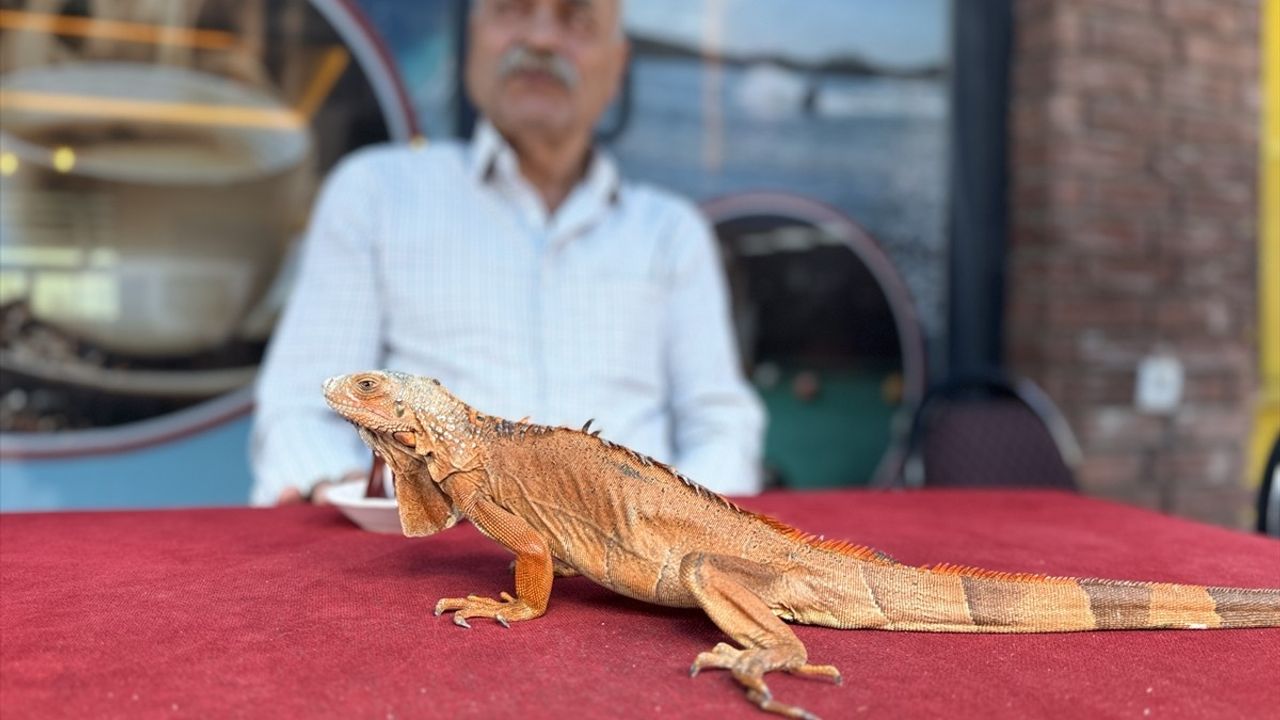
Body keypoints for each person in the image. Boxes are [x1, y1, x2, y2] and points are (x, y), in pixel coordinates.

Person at [250, 0, 764, 505]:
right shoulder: (376, 195)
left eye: (576, 18)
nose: (541, 40)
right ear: (475, 40)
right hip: (423, 557)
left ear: (617, 66)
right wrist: (344, 492)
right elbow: (303, 409)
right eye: (514, 9)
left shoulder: (670, 233)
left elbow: (721, 424)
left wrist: (674, 528)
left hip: (632, 560)